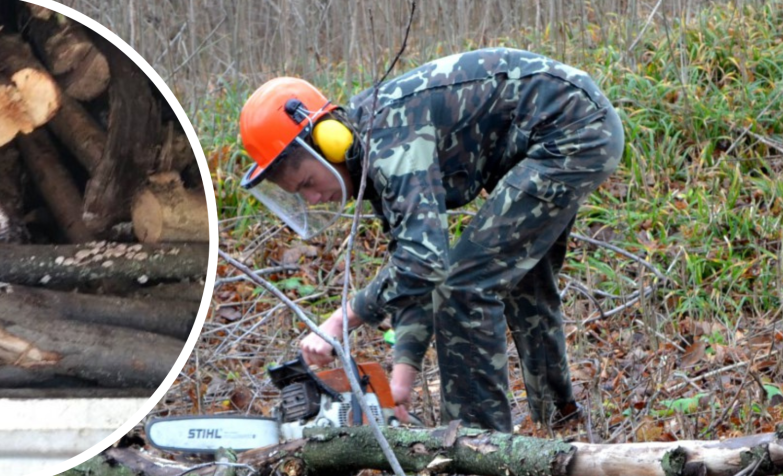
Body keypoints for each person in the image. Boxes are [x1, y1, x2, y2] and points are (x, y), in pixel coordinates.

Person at [236, 48, 624, 432]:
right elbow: (412, 270)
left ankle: (478, 449)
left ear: (330, 139)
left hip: (572, 130)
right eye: (300, 194)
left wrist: (343, 318)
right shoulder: (371, 152)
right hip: (560, 134)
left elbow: (426, 262)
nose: (315, 198)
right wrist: (402, 378)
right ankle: (557, 425)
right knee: (524, 284)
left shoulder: (389, 139)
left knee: (464, 287)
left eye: (308, 183)